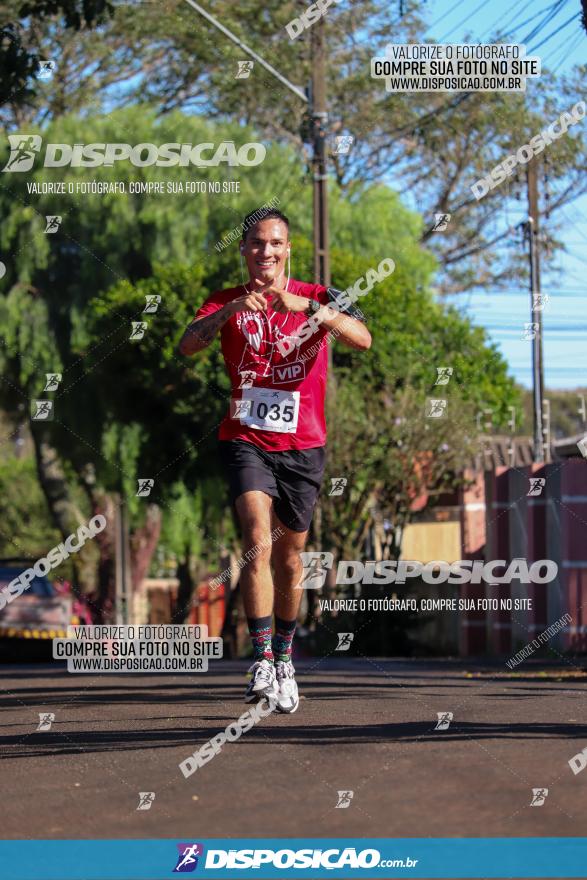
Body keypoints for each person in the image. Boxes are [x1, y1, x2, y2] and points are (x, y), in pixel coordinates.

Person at [179, 208, 371, 713]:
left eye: (276, 243)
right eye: (257, 243)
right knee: (256, 539)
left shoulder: (320, 294)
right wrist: (229, 312)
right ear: (244, 250)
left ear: (289, 249)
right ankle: (261, 658)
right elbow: (187, 346)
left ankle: (285, 659)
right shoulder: (224, 301)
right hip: (245, 438)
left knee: (290, 561)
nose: (266, 251)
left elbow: (364, 337)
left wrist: (315, 311)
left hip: (304, 446)